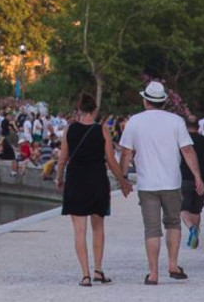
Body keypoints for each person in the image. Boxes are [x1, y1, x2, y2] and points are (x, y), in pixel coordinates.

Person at [118, 81, 203, 286]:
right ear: (164, 101)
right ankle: (173, 265)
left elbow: (126, 153)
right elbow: (188, 151)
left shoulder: (135, 122)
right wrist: (198, 176)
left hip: (147, 184)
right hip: (172, 182)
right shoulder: (176, 121)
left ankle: (153, 273)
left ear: (145, 101)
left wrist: (123, 180)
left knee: (152, 229)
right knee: (173, 223)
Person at [57, 93, 132, 287]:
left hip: (75, 180)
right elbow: (111, 161)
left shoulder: (69, 130)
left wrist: (58, 178)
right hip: (97, 180)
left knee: (79, 230)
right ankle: (98, 270)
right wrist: (123, 181)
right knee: (98, 228)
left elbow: (63, 158)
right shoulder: (102, 131)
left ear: (79, 111)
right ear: (94, 111)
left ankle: (85, 275)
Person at [180, 115, 204, 249]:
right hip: (202, 179)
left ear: (185, 127)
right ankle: (195, 234)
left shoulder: (181, 141)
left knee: (183, 209)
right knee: (196, 210)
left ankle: (192, 229)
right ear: (198, 127)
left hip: (184, 179)